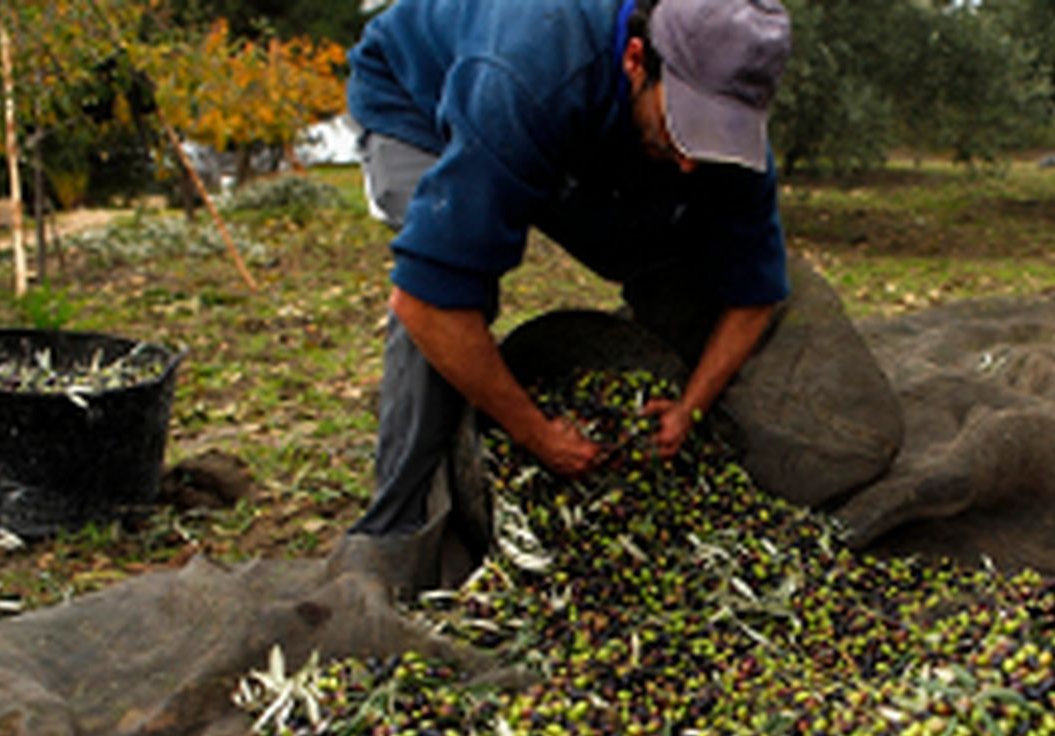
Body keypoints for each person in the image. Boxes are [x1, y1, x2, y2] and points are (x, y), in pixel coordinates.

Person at [333, 0, 793, 592]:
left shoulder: (718, 131)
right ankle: (396, 530)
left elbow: (755, 293)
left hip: (572, 117)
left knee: (685, 248)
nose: (689, 159)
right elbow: (427, 304)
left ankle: (675, 424)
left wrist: (691, 406)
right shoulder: (527, 73)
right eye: (683, 127)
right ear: (636, 60)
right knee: (454, 283)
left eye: (715, 136)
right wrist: (534, 432)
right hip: (416, 96)